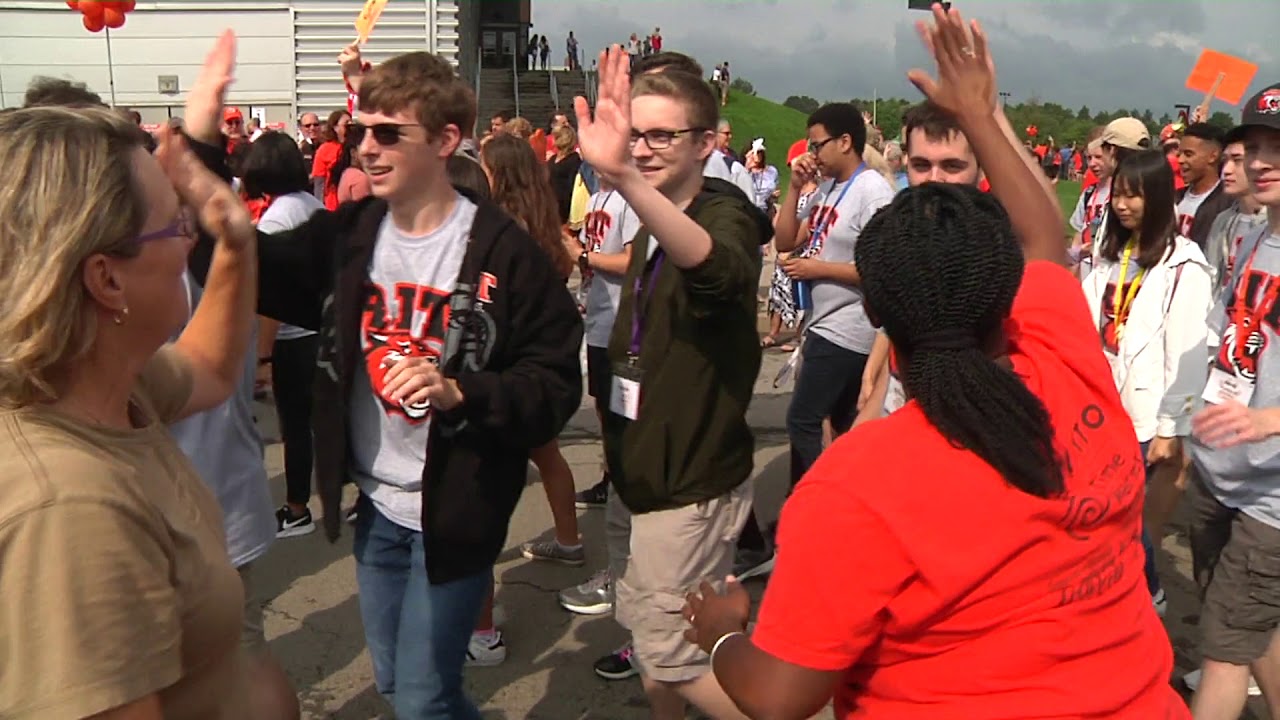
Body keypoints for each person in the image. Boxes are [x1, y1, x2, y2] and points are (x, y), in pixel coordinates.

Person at [683, 8, 1189, 719]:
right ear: (1004, 296)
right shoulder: (1067, 359)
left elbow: (780, 694)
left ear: (880, 316)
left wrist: (722, 636)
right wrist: (981, 113)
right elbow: (1045, 235)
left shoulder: (856, 484)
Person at [188, 48, 582, 719]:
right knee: (404, 688)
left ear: (446, 140)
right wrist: (203, 145)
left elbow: (554, 382)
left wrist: (464, 391)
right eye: (360, 129)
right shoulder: (352, 234)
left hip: (454, 511)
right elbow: (235, 261)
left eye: (387, 133)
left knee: (424, 699)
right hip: (376, 508)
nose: (364, 148)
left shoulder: (501, 251)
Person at [0, 31, 264, 718]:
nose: (189, 235)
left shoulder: (102, 388)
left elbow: (207, 368)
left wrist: (232, 239)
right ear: (105, 279)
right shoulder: (73, 510)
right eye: (174, 222)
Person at [575, 45, 771, 718]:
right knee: (654, 637)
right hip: (641, 473)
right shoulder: (651, 212)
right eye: (638, 134)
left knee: (673, 655)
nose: (647, 148)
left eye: (664, 135)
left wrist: (625, 177)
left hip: (689, 482)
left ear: (709, 142)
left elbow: (719, 274)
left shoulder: (724, 213)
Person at [1185, 80, 1280, 720]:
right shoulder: (1249, 236)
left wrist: (1265, 420)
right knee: (1253, 632)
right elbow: (1226, 344)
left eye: (1279, 147)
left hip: (1271, 499)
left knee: (1220, 654)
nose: (1262, 160)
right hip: (1218, 472)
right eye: (1254, 145)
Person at [1083, 148, 1212, 616]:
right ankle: (1123, 593)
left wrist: (1169, 426)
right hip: (1100, 402)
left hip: (1144, 413)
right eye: (1118, 193)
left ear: (1157, 197)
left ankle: (1148, 593)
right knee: (1103, 510)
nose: (1122, 204)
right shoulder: (1112, 251)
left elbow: (1188, 354)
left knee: (1123, 516)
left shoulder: (1184, 265)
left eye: (1134, 195)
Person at [238, 133, 327, 538]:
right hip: (318, 329)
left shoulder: (276, 220)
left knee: (295, 427)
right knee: (321, 421)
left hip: (292, 337)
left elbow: (270, 299)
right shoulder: (311, 205)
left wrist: (263, 357)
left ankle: (296, 508)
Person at [310, 108, 351, 210]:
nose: (350, 127)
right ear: (335, 127)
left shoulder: (355, 147)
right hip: (332, 205)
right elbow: (319, 182)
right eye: (346, 124)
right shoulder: (325, 149)